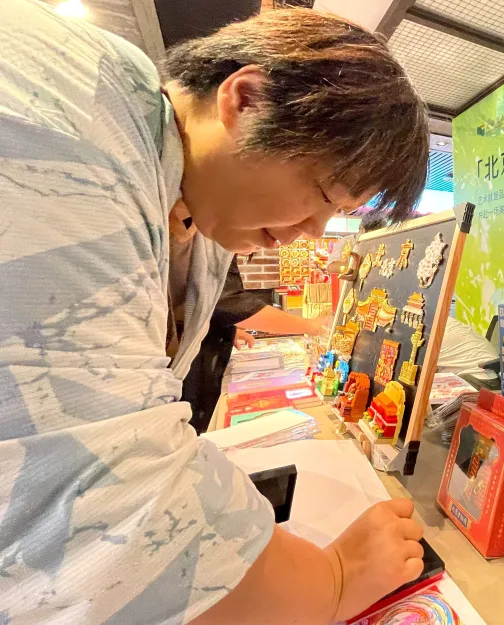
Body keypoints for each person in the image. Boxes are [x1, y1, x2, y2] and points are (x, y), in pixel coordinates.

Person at [0, 3, 429, 623]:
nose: (313, 232)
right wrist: (336, 579)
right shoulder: (66, 111)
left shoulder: (190, 203)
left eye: (336, 215)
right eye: (323, 195)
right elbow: (98, 511)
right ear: (247, 100)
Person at [182, 257, 328, 434]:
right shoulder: (212, 249)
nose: (270, 245)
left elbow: (213, 303)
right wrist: (309, 326)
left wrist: (227, 330)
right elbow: (229, 302)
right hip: (187, 372)